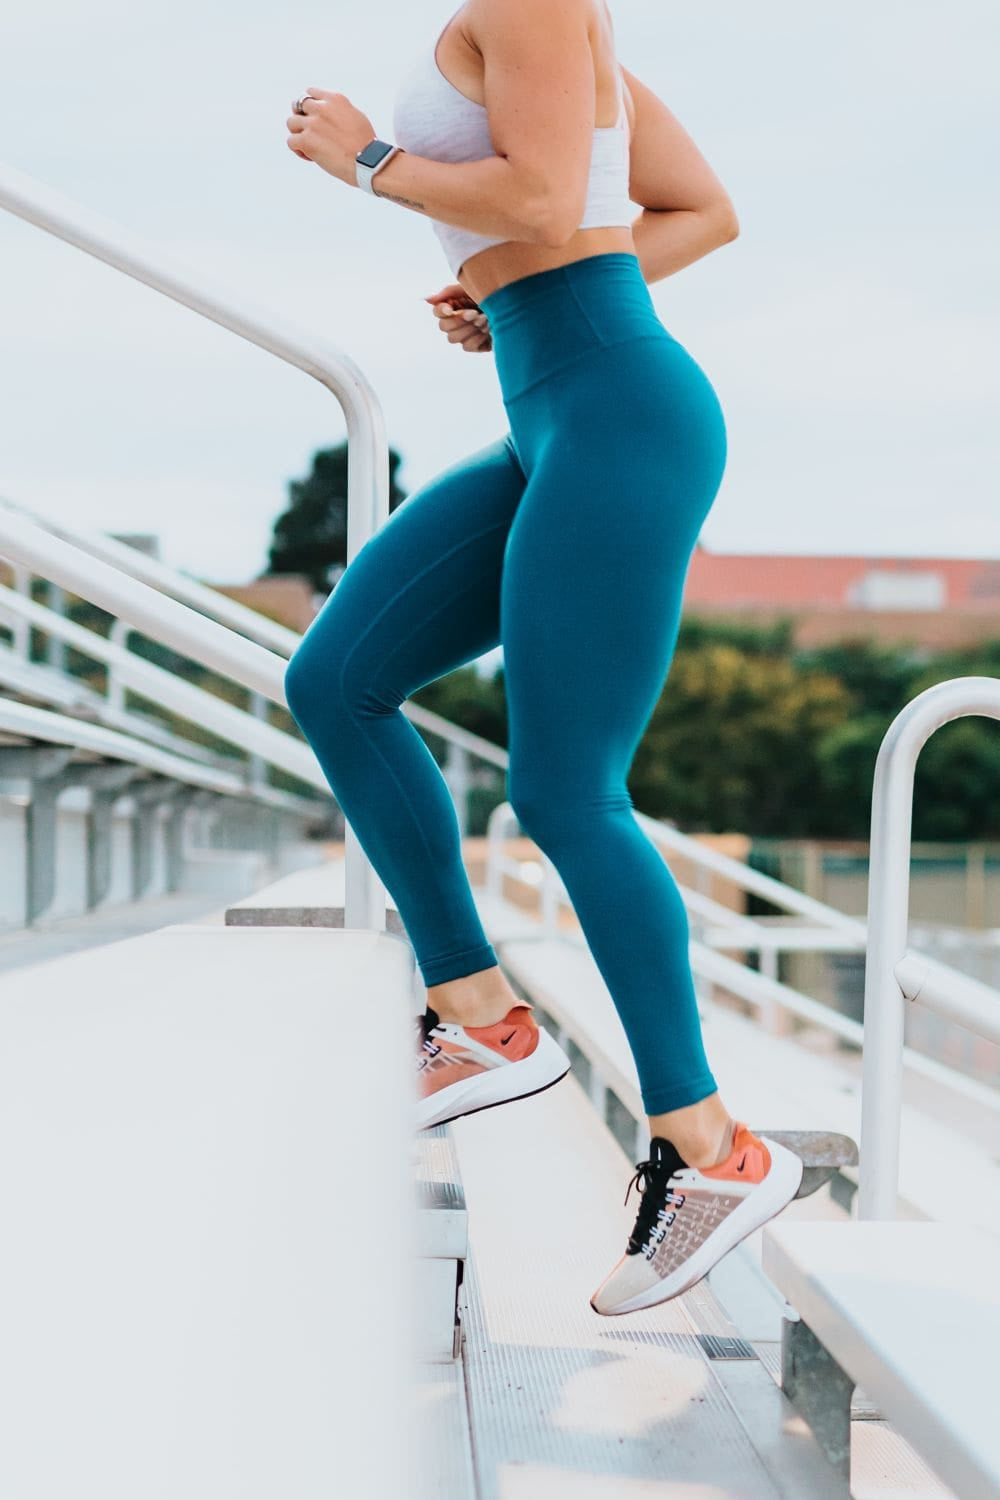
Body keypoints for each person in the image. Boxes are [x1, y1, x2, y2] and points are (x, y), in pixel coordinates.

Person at [282, 0, 803, 1316]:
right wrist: (497, 282)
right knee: (337, 681)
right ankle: (479, 1016)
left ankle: (715, 1153)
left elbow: (541, 194)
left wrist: (368, 160)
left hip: (618, 412)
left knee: (569, 794)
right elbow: (694, 211)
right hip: (557, 410)